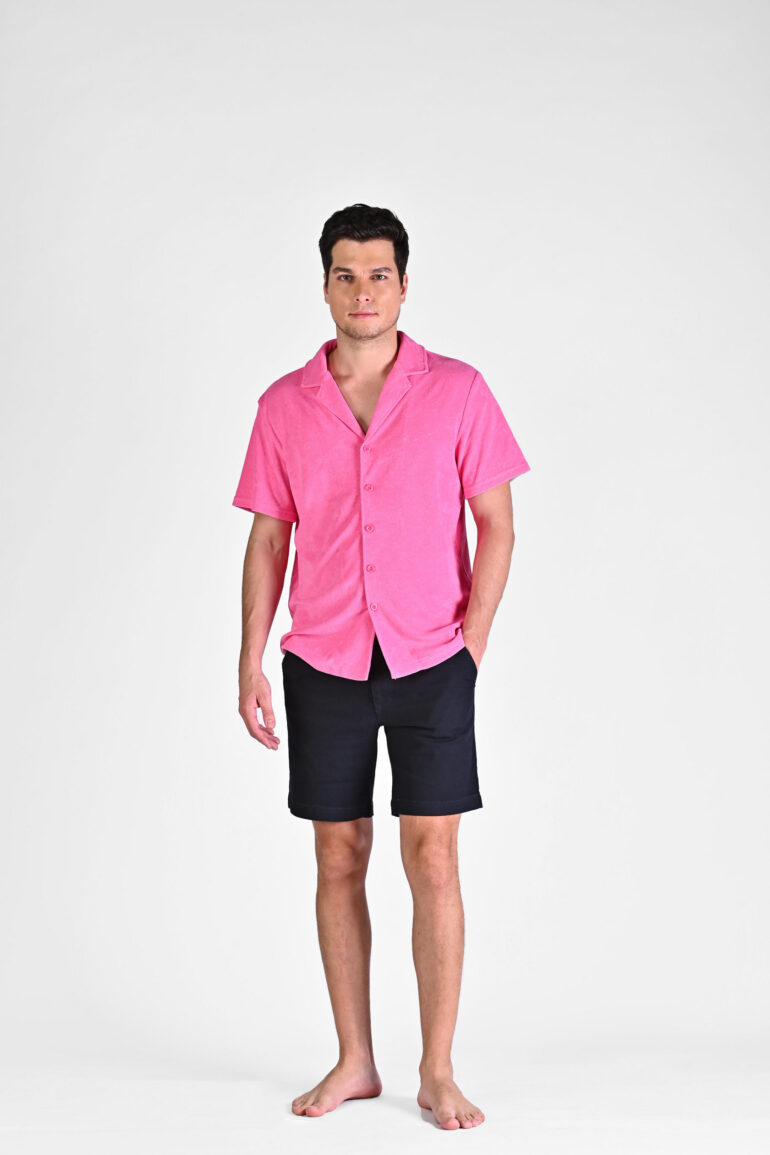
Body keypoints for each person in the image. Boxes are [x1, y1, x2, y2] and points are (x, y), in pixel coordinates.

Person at [232, 203, 530, 1130]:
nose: (363, 292)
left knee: (433, 855)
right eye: (346, 275)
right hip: (322, 659)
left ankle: (437, 1068)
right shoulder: (284, 406)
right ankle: (355, 1057)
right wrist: (249, 654)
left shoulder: (459, 391)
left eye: (379, 275)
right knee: (338, 854)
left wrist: (470, 644)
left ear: (404, 285)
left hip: (432, 655)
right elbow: (268, 536)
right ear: (325, 285)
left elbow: (497, 523)